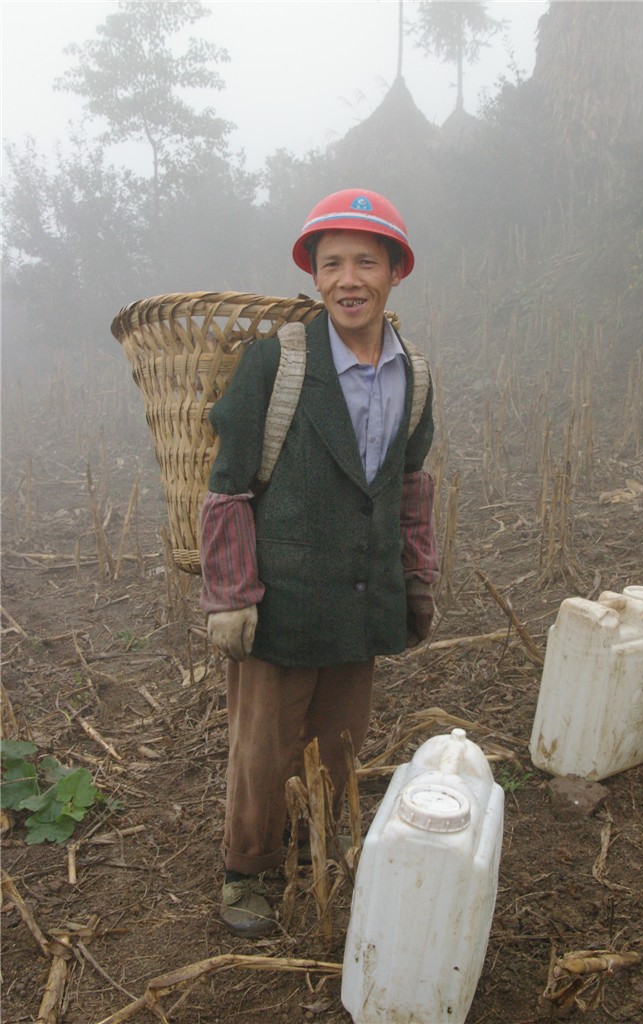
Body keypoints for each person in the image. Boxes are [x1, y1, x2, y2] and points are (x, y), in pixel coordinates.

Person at [199, 188, 439, 937]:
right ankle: (249, 869)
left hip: (361, 596)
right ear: (314, 275)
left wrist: (417, 574)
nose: (348, 279)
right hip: (281, 596)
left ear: (395, 271)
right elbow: (229, 483)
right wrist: (232, 594)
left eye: (366, 261)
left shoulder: (415, 376)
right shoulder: (278, 363)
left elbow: (409, 486)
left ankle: (320, 839)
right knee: (263, 746)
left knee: (339, 739)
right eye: (331, 263)